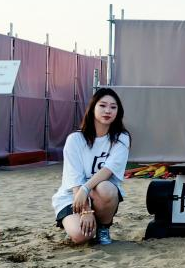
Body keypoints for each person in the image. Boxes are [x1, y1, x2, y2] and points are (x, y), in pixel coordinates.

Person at [51, 88, 130, 245]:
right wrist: (85, 209)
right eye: (102, 105)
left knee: (106, 188)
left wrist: (86, 189)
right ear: (92, 108)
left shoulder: (121, 138)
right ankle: (73, 224)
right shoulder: (75, 139)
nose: (108, 111)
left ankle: (103, 228)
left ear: (118, 112)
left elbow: (108, 170)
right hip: (73, 195)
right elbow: (74, 178)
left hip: (98, 193)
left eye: (113, 107)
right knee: (81, 236)